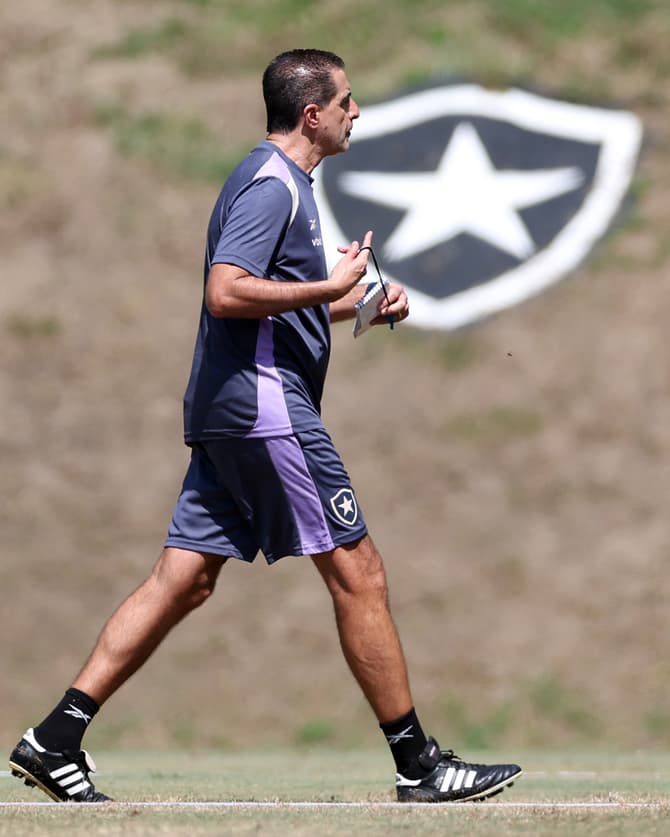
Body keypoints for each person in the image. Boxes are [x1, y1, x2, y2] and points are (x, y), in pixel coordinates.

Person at [8, 49, 521, 804]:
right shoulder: (271, 185)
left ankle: (54, 738)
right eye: (348, 101)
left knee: (184, 580)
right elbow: (226, 293)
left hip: (232, 406)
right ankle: (419, 764)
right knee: (359, 571)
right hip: (264, 408)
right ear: (312, 114)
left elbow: (269, 296)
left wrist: (357, 304)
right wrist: (330, 282)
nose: (357, 113)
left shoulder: (284, 185)